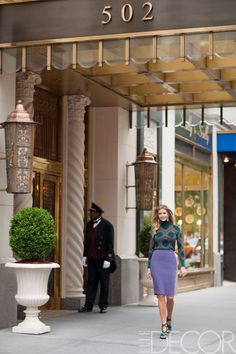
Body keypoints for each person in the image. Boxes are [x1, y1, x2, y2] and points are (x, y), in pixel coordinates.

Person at [147, 205, 187, 339]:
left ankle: (169, 318)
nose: (162, 215)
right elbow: (151, 250)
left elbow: (181, 248)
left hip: (170, 261)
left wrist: (183, 265)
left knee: (170, 296)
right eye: (160, 214)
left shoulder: (176, 229)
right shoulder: (155, 230)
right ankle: (163, 325)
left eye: (164, 213)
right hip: (157, 261)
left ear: (169, 214)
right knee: (161, 295)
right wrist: (148, 267)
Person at [80, 202, 115, 314]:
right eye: (90, 212)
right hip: (91, 258)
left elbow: (110, 243)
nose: (90, 214)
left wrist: (108, 259)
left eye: (92, 212)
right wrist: (85, 256)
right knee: (91, 283)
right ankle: (88, 306)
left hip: (102, 258)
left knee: (104, 283)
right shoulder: (89, 224)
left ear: (98, 213)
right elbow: (87, 242)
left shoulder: (107, 225)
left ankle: (103, 305)